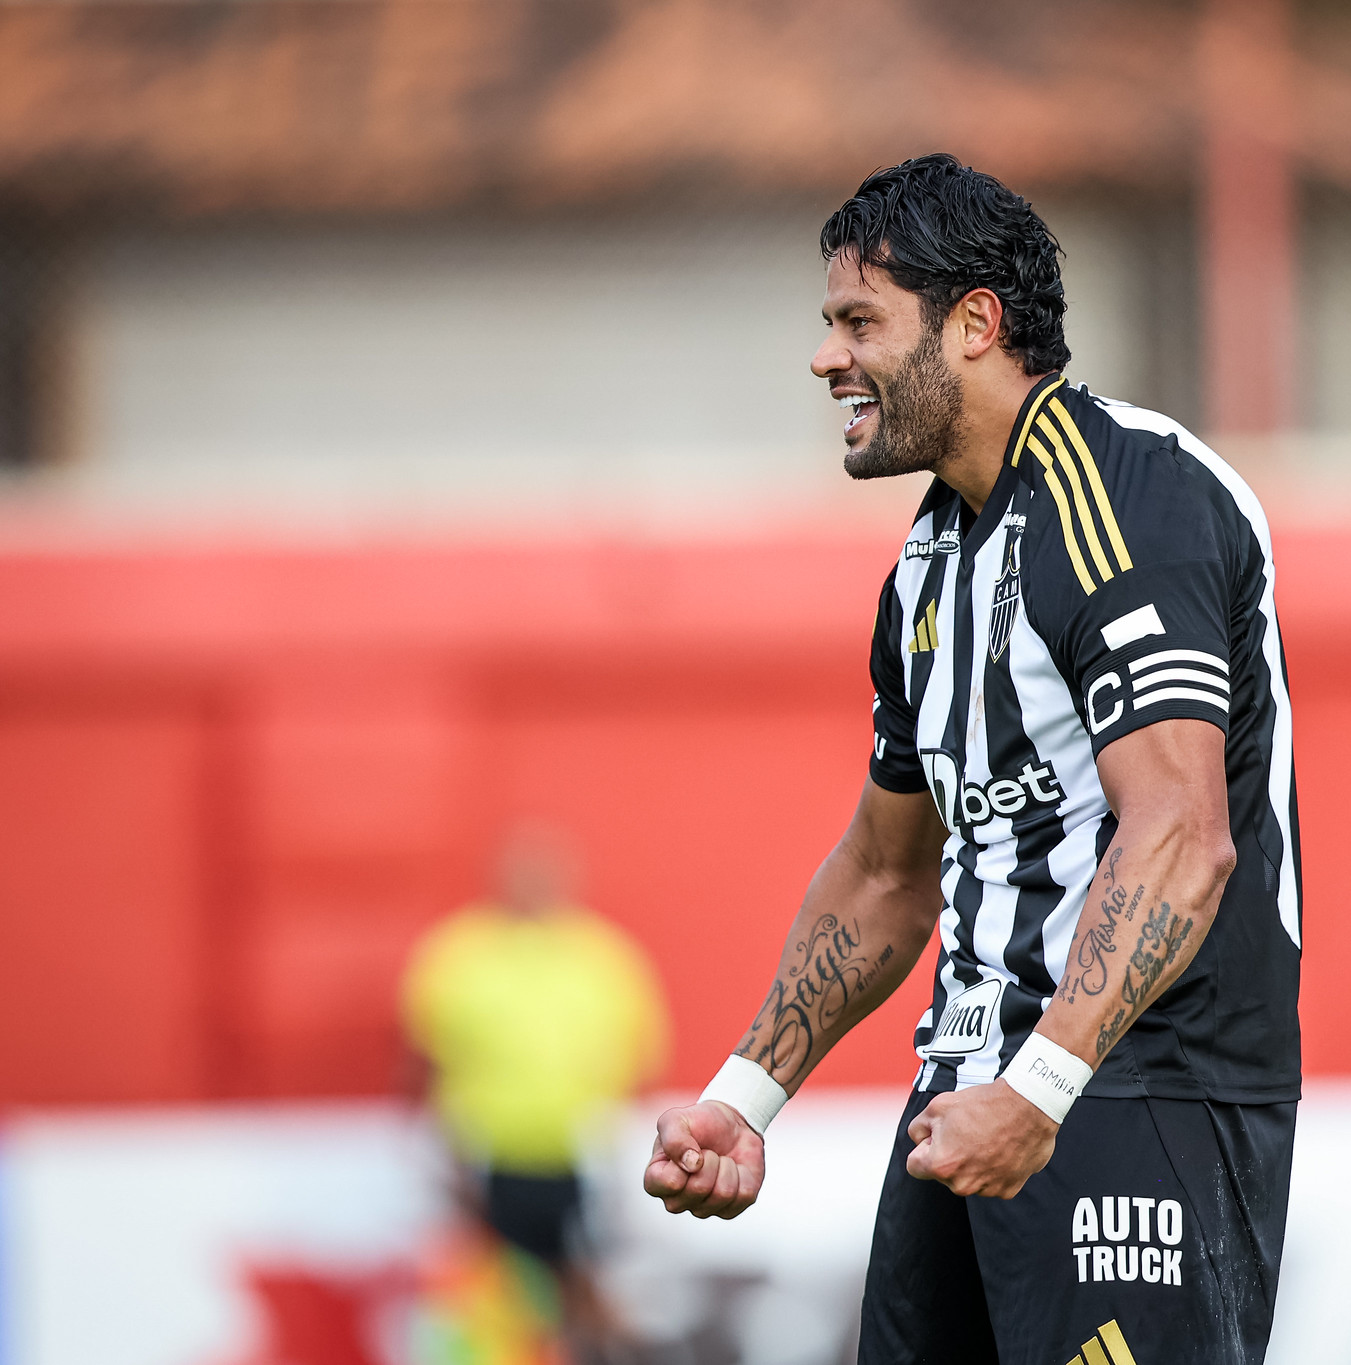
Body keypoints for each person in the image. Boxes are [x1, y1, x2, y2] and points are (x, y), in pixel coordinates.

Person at [642, 154, 1303, 1365]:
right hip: (967, 1096)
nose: (826, 356)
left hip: (1132, 1091)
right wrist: (744, 1099)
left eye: (858, 322)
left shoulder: (1127, 498)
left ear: (975, 324)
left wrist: (1040, 1091)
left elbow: (1181, 836)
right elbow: (887, 873)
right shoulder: (929, 562)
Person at [404, 825, 670, 1363]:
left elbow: (637, 1066)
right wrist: (439, 1152)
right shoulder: (458, 955)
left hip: (576, 1158)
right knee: (492, 1294)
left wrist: (628, 1158)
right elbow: (424, 1064)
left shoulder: (602, 957)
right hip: (488, 1158)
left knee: (583, 1286)